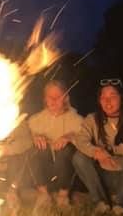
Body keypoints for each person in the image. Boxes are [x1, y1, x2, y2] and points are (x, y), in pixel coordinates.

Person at [73, 79, 123, 216]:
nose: (108, 102)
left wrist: (112, 150)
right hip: (103, 177)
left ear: (122, 98)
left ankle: (120, 204)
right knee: (79, 157)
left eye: (113, 96)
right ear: (99, 100)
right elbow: (80, 141)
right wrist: (95, 151)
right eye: (103, 97)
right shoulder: (92, 119)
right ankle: (101, 202)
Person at [27, 80, 83, 209]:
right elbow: (25, 142)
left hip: (66, 174)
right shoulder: (35, 120)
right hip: (44, 173)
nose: (53, 100)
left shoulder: (76, 120)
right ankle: (43, 195)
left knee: (67, 149)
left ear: (65, 98)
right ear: (45, 99)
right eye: (49, 96)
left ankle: (63, 196)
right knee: (35, 147)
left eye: (58, 96)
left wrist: (70, 137)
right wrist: (35, 137)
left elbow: (85, 141)